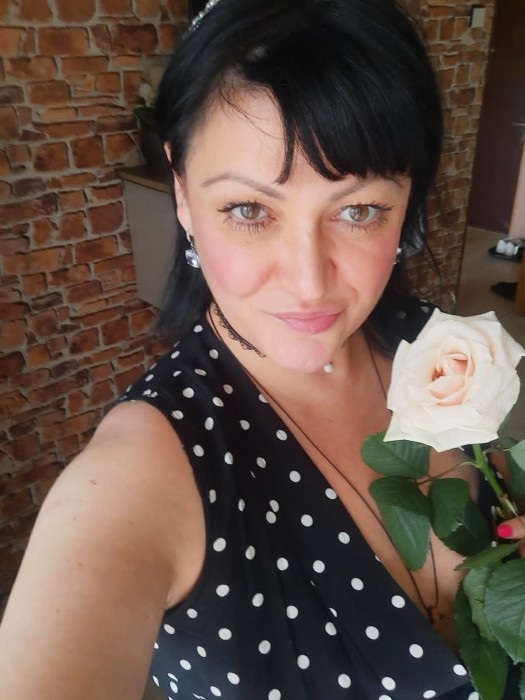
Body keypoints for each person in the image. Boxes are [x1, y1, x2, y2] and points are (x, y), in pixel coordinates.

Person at [0, 0, 522, 698]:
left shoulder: (443, 350)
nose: (308, 282)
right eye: (248, 210)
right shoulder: (142, 475)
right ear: (181, 193)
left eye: (359, 210)